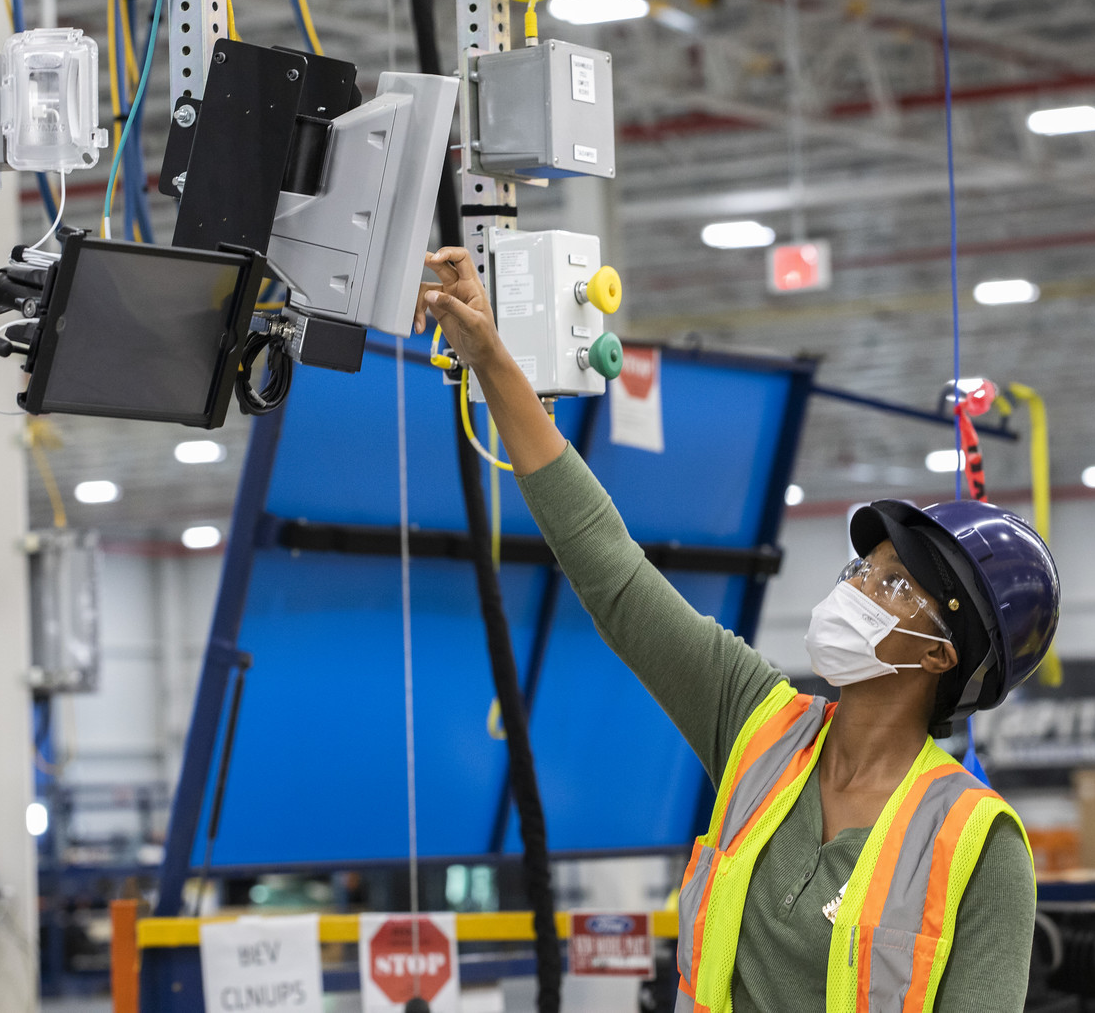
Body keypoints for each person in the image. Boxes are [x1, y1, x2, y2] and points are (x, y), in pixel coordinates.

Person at [415, 247, 1060, 1012]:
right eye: (862, 569)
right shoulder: (760, 725)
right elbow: (612, 570)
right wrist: (491, 356)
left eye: (891, 583)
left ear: (940, 653)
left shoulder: (977, 848)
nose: (854, 588)